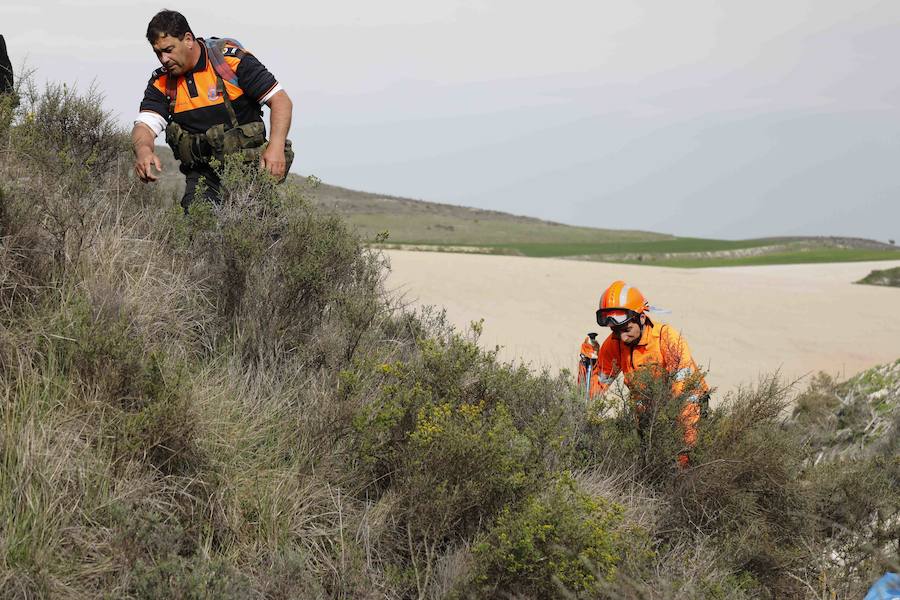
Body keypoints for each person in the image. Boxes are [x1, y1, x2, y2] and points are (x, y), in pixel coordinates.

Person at [131, 10, 294, 211]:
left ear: (188, 40)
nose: (163, 59)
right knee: (199, 229)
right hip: (203, 178)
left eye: (169, 49)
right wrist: (144, 151)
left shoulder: (228, 61)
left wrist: (276, 147)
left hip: (249, 173)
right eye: (158, 53)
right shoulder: (162, 82)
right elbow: (144, 127)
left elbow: (280, 100)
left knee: (264, 238)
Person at [578, 280, 709, 468]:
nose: (622, 336)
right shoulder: (615, 342)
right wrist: (586, 365)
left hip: (686, 408)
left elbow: (686, 394)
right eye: (615, 330)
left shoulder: (667, 337)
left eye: (626, 329)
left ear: (641, 318)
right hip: (648, 414)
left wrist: (686, 447)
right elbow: (590, 396)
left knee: (686, 468)